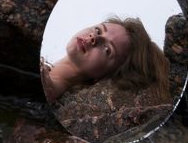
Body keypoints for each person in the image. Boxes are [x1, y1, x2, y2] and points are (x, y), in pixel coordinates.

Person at [40, 17, 170, 103]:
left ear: (104, 77)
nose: (94, 37)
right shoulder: (47, 70)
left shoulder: (50, 87)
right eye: (98, 30)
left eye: (107, 49)